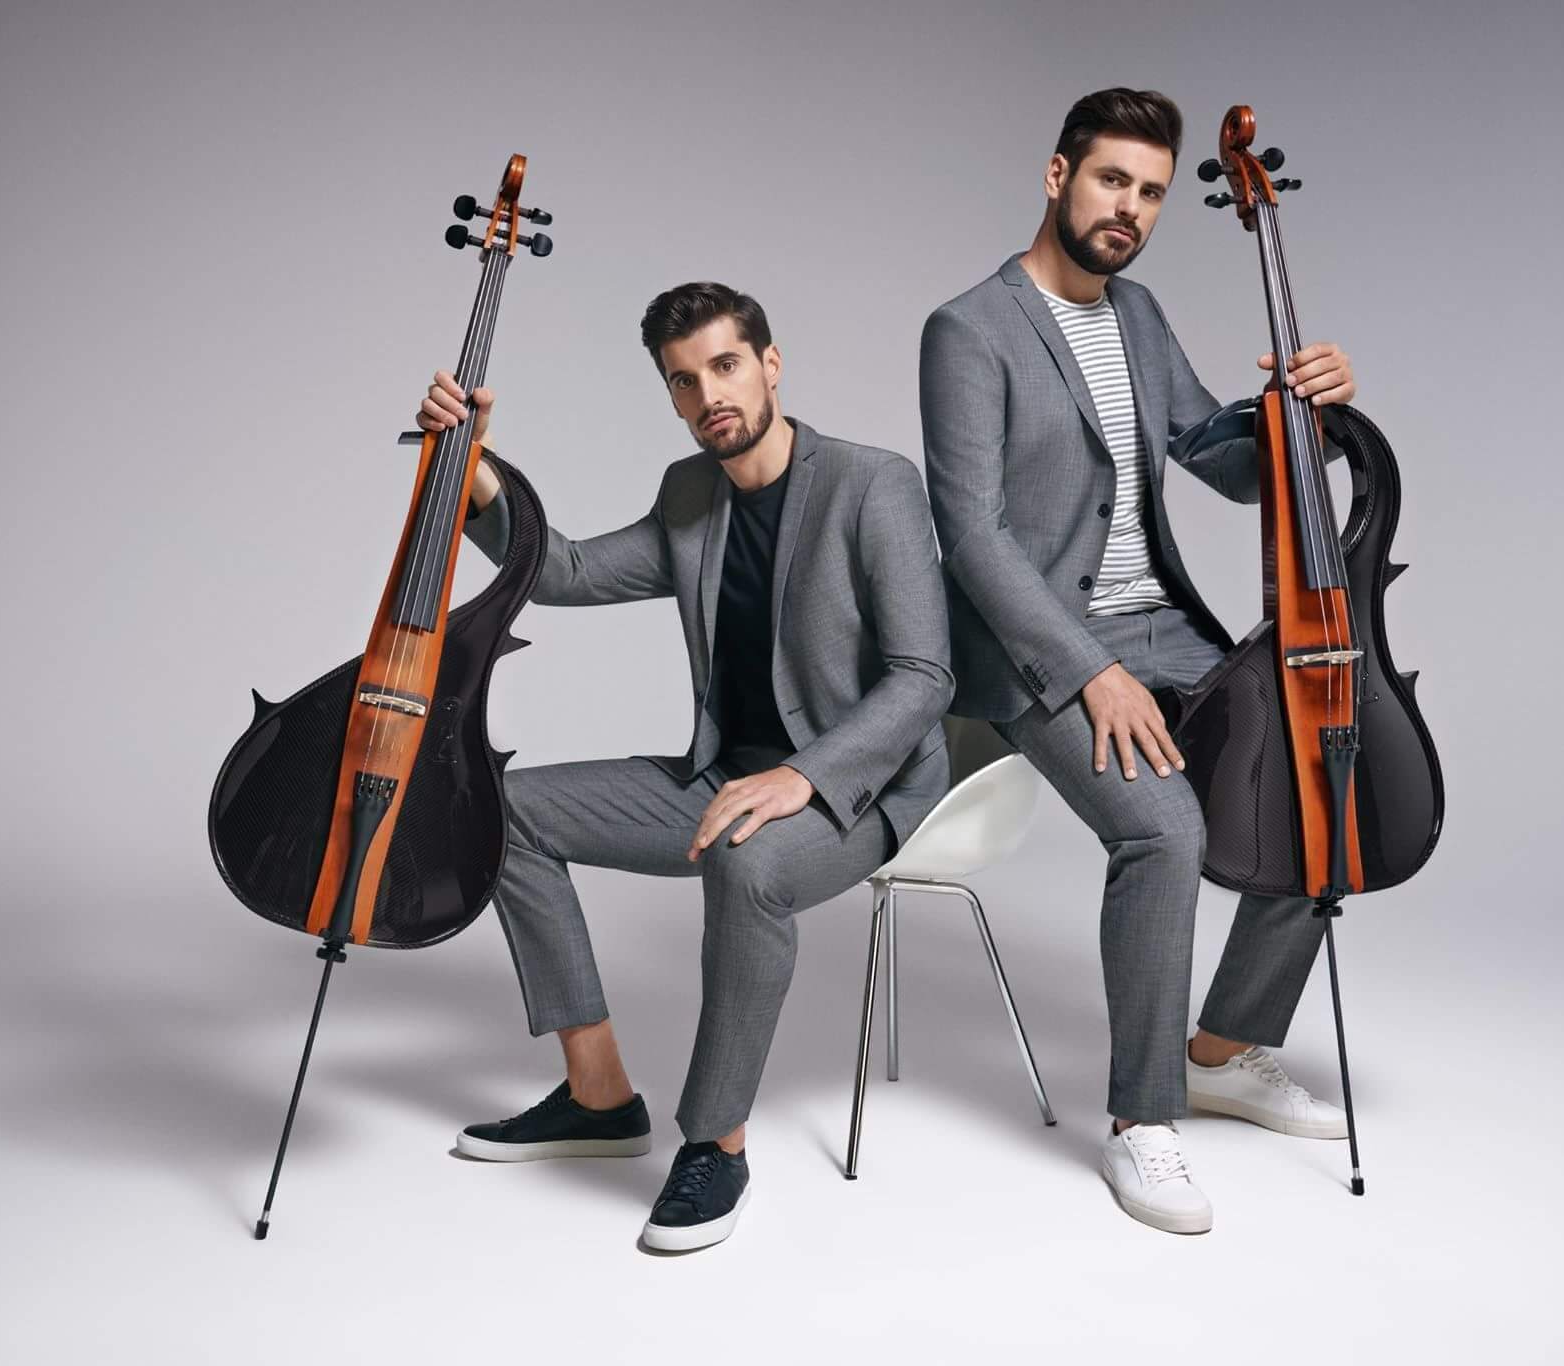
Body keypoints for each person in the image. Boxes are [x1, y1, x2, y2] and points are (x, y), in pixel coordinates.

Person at [421, 281, 952, 1251]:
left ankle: (716, 1142)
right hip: (723, 777)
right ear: (669, 396)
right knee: (504, 809)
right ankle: (597, 1094)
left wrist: (805, 776)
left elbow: (923, 676)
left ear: (770, 365)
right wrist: (474, 465)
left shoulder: (871, 484)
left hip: (858, 790)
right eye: (683, 380)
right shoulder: (689, 494)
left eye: (725, 365)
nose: (709, 394)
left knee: (747, 862)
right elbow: (565, 571)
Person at [919, 88, 1357, 1234]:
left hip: (1162, 623)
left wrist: (1296, 414)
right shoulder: (967, 330)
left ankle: (1219, 1051)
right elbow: (970, 536)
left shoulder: (1140, 314)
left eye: (1151, 191)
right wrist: (1085, 671)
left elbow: (1225, 464)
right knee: (1162, 831)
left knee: (1319, 778)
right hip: (1035, 649)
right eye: (1111, 179)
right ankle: (1140, 1118)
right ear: (1056, 175)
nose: (1129, 208)